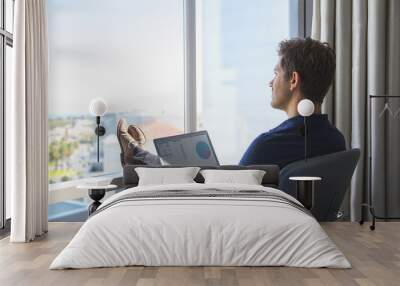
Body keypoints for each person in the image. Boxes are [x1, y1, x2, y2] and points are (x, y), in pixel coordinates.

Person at [117, 37, 345, 168]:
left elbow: (228, 191)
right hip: (303, 232)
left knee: (184, 178)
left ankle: (136, 156)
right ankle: (137, 155)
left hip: (246, 227)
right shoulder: (336, 140)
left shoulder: (268, 145)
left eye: (276, 73)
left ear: (293, 80)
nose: (270, 82)